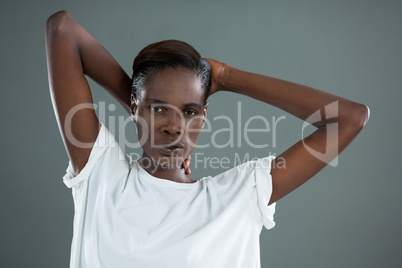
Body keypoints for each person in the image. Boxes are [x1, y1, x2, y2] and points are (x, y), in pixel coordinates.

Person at [45, 10, 370, 268]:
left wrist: (227, 76)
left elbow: (349, 119)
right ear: (135, 106)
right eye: (159, 109)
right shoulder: (102, 177)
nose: (174, 127)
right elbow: (62, 29)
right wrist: (140, 107)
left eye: (189, 112)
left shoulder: (239, 196)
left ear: (204, 115)